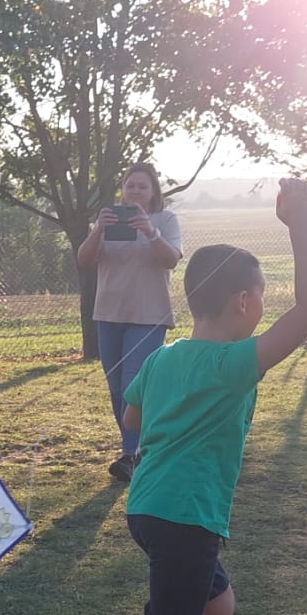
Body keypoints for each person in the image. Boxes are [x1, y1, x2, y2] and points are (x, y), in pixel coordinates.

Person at [42, 178, 307, 615]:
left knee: (215, 609)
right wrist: (300, 223)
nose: (265, 304)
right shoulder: (233, 365)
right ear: (246, 302)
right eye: (262, 295)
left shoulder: (163, 359)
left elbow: (134, 419)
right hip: (185, 517)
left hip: (150, 507)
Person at [76, 162, 183, 482]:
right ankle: (135, 449)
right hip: (109, 314)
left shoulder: (165, 220)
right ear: (122, 188)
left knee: (132, 386)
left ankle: (131, 454)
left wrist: (150, 232)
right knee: (116, 387)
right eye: (130, 185)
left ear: (153, 191)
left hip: (148, 316)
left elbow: (171, 259)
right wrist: (98, 230)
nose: (135, 191)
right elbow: (84, 260)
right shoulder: (107, 219)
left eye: (142, 186)